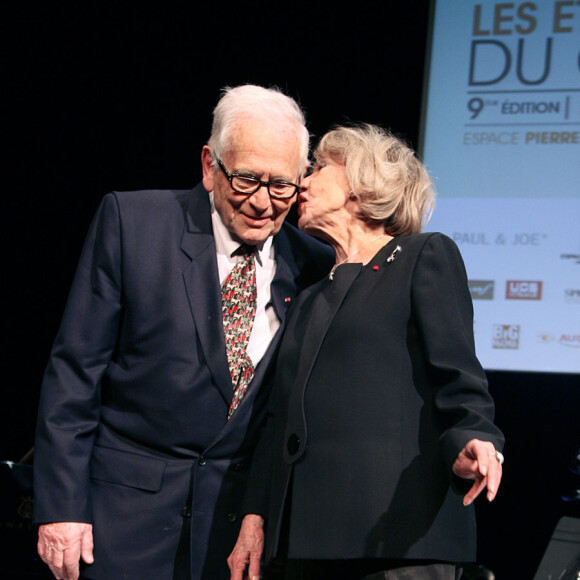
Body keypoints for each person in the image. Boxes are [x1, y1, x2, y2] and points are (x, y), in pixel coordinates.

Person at [33, 84, 334, 580]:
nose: (262, 202)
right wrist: (61, 507)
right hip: (120, 526)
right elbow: (74, 374)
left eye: (281, 184)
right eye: (245, 179)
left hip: (235, 540)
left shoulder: (312, 264)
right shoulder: (134, 224)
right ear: (209, 166)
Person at [228, 123, 505, 580]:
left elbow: (459, 377)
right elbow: (278, 421)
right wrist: (255, 518)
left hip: (395, 538)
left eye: (317, 169)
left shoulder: (422, 256)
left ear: (358, 186)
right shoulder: (309, 295)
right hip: (302, 545)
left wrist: (474, 439)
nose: (303, 181)